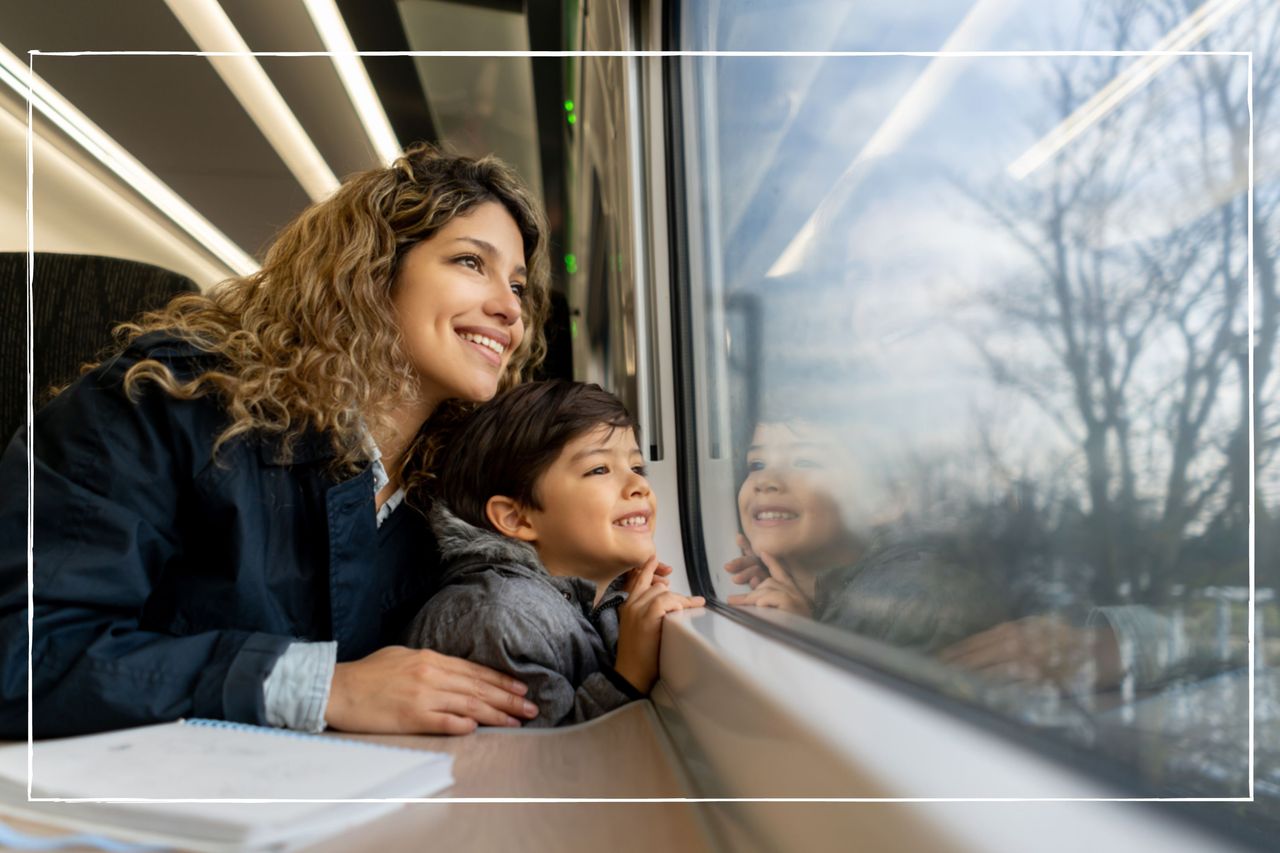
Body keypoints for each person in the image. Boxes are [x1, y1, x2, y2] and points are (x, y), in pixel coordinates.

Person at [0, 143, 552, 738]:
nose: (508, 310)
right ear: (370, 272)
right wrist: (324, 687)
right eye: (471, 263)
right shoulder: (166, 402)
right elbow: (23, 654)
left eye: (518, 287)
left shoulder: (453, 488)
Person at [406, 380, 704, 726]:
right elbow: (543, 765)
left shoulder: (595, 600)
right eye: (599, 470)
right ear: (517, 517)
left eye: (637, 468)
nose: (640, 485)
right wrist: (628, 675)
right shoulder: (502, 619)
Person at [727, 417, 1008, 653]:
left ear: (886, 499)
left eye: (804, 462)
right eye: (757, 465)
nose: (766, 481)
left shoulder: (906, 598)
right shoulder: (829, 594)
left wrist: (808, 637)